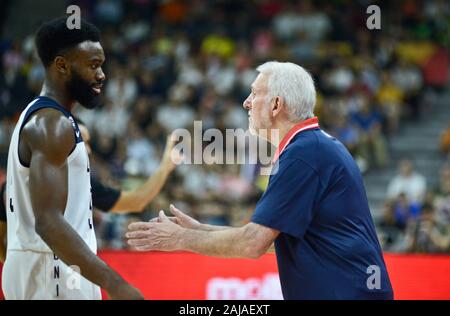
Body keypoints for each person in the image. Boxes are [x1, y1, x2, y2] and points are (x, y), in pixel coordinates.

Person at [126, 61, 394, 300]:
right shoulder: (312, 146)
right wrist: (199, 230)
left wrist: (181, 239)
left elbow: (252, 243)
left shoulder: (303, 154)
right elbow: (273, 241)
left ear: (277, 104)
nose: (246, 102)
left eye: (254, 93)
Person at [2, 17, 143, 300]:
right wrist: (116, 284)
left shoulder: (44, 116)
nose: (101, 74)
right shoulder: (52, 125)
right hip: (54, 270)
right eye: (92, 65)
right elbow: (49, 222)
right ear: (62, 65)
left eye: (101, 64)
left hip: (46, 267)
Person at [0, 121, 180, 264]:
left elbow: (137, 201)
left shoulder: (84, 183)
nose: (88, 149)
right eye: (82, 142)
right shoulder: (16, 184)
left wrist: (165, 166)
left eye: (87, 142)